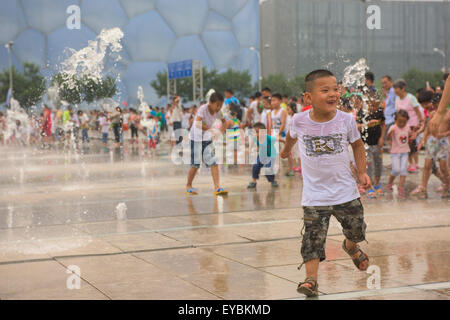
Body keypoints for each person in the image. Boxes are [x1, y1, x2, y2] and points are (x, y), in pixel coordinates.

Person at [280, 69, 371, 297]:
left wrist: (362, 173)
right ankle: (311, 279)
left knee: (356, 229)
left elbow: (358, 146)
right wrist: (285, 151)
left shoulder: (346, 120)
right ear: (308, 98)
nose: (333, 94)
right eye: (325, 90)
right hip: (314, 196)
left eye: (335, 89)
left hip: (345, 192)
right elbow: (291, 136)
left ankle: (350, 247)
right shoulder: (299, 120)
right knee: (312, 237)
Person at [185, 92, 228, 196]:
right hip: (196, 138)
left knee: (213, 162)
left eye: (220, 105)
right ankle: (188, 185)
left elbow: (225, 122)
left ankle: (217, 187)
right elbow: (197, 123)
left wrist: (221, 132)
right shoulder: (203, 109)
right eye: (217, 105)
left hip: (207, 138)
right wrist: (211, 129)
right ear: (210, 103)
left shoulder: (219, 112)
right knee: (195, 164)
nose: (218, 108)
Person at [410, 93, 449, 199]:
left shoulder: (449, 114)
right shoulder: (432, 114)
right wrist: (423, 139)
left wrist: (444, 134)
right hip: (432, 141)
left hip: (443, 142)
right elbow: (428, 127)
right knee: (427, 165)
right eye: (435, 105)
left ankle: (447, 185)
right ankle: (423, 187)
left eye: (438, 105)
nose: (436, 107)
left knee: (443, 167)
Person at [357, 92, 385, 198]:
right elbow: (356, 126)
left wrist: (382, 138)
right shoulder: (362, 113)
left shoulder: (379, 112)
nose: (374, 108)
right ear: (367, 103)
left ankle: (377, 184)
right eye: (372, 105)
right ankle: (369, 187)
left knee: (378, 164)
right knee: (368, 166)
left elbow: (383, 124)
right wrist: (366, 125)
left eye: (376, 105)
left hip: (377, 143)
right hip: (365, 144)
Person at [393, 79, 423, 173]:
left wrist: (420, 123)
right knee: (407, 145)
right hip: (403, 126)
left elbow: (417, 110)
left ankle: (415, 164)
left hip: (413, 125)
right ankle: (411, 164)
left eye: (396, 88)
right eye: (394, 89)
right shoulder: (397, 99)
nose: (395, 91)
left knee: (412, 146)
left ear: (403, 88)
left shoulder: (410, 98)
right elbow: (397, 113)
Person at [385, 110, 411, 199]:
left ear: (407, 121)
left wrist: (414, 134)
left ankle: (400, 187)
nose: (402, 124)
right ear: (395, 120)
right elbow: (388, 138)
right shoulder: (393, 127)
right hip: (395, 152)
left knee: (403, 170)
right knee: (396, 170)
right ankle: (389, 183)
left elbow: (410, 136)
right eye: (400, 122)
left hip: (405, 152)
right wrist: (389, 137)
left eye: (404, 122)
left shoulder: (407, 127)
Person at [247, 122, 279, 189]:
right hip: (261, 155)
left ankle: (272, 181)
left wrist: (286, 145)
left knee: (268, 168)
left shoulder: (268, 138)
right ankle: (254, 181)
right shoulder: (255, 137)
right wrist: (249, 149)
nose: (256, 134)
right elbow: (252, 142)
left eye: (257, 132)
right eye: (255, 132)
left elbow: (278, 139)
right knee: (255, 166)